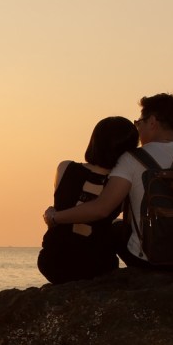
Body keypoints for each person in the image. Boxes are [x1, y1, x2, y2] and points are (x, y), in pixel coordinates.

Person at [43, 93, 173, 276]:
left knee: (115, 227)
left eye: (139, 121)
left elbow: (101, 209)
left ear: (152, 122)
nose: (138, 127)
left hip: (151, 263)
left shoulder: (131, 159)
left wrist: (54, 217)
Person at [37, 116, 139, 283]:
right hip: (96, 266)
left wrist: (54, 217)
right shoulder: (123, 184)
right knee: (118, 227)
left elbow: (64, 203)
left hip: (52, 261)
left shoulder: (65, 167)